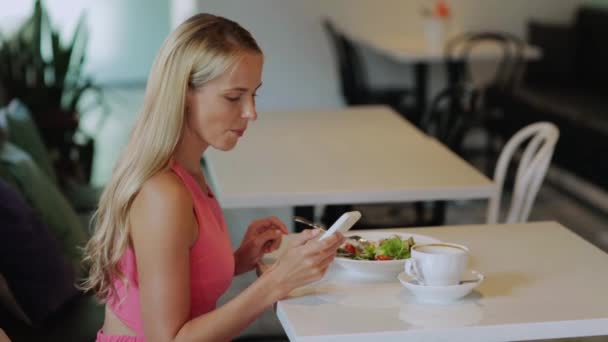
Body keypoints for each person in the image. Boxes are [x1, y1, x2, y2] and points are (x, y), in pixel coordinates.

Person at [81, 13, 345, 342]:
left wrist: (237, 259)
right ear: (183, 94)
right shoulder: (163, 194)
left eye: (254, 95)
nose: (251, 112)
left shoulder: (187, 171)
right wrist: (276, 281)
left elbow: (176, 273)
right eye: (234, 97)